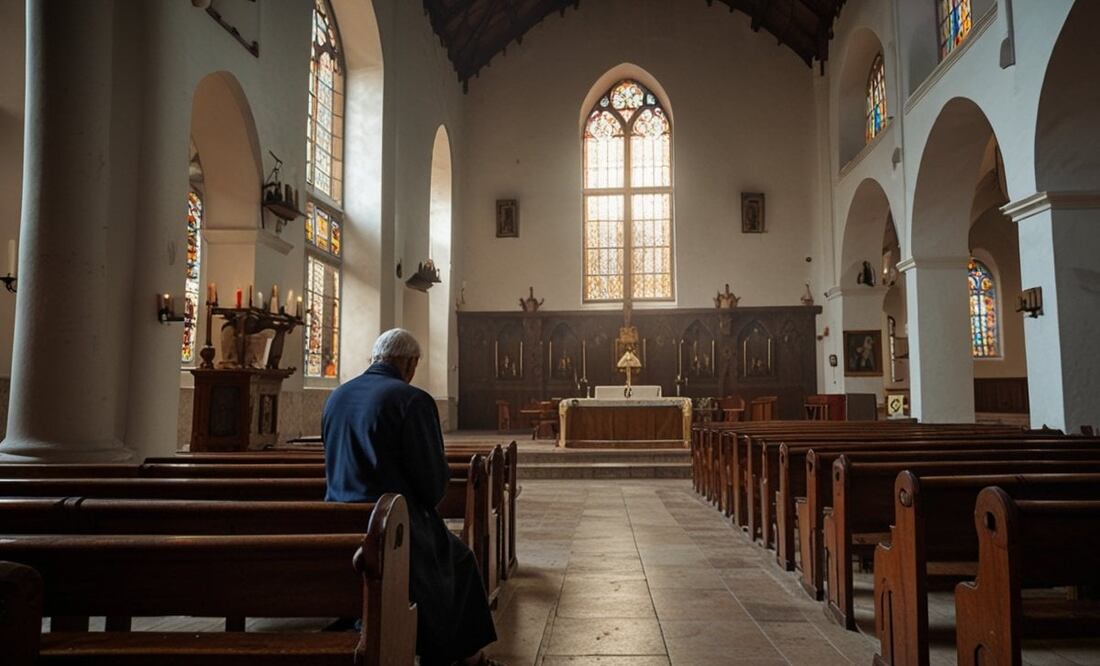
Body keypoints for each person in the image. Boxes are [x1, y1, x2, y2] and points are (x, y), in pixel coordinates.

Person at [323, 328, 501, 666]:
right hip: (392, 523)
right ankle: (463, 656)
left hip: (337, 519)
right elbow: (431, 482)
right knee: (459, 561)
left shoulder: (337, 396)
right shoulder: (411, 399)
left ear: (376, 357)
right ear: (409, 363)